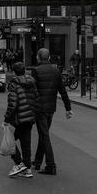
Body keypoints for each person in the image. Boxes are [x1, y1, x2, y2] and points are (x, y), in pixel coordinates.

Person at [30, 48, 73, 176]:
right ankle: (37, 161)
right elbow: (63, 91)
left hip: (39, 108)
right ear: (49, 58)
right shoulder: (56, 71)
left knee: (44, 136)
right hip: (51, 108)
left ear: (38, 57)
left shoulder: (35, 71)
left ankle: (51, 165)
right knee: (44, 134)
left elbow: (32, 90)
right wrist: (68, 108)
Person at [4, 61, 38, 178]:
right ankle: (28, 170)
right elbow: (36, 98)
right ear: (24, 71)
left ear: (14, 72)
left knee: (10, 141)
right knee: (26, 143)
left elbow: (13, 103)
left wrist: (7, 118)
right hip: (30, 117)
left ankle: (19, 163)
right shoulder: (32, 82)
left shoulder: (14, 84)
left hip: (19, 118)